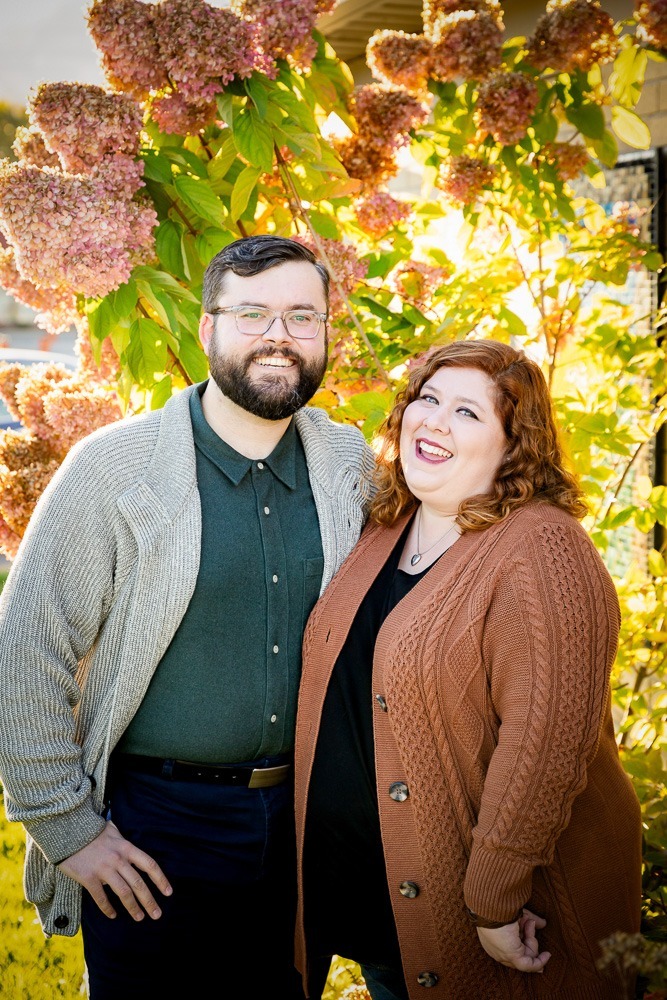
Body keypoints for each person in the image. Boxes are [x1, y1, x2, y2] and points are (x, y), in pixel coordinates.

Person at [0, 234, 375, 1000]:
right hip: (157, 828)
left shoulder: (349, 467)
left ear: (326, 332)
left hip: (305, 820)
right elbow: (25, 649)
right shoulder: (113, 470)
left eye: (302, 316)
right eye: (253, 314)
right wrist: (67, 831)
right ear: (206, 330)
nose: (279, 335)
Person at [294, 339, 643, 1000]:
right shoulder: (384, 527)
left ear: (513, 446)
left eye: (467, 412)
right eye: (427, 399)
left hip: (505, 929)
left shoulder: (540, 546)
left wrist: (496, 898)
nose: (435, 420)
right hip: (388, 913)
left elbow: (546, 741)